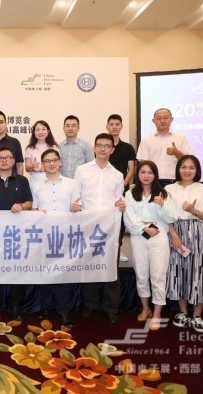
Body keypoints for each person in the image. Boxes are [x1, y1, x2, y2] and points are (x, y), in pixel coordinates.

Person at [74, 133, 126, 324]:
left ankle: (111, 307)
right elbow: (76, 196)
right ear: (94, 148)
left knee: (111, 266)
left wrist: (122, 205)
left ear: (112, 149)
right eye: (99, 145)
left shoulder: (117, 175)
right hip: (87, 225)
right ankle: (90, 303)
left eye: (107, 146)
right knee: (88, 265)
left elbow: (119, 200)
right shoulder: (82, 170)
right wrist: (75, 206)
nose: (103, 149)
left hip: (109, 228)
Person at [0, 146, 33, 321]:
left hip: (17, 232)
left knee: (18, 268)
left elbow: (29, 202)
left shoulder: (22, 180)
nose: (4, 160)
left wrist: (22, 206)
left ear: (13, 160)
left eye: (8, 157)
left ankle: (15, 305)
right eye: (0, 158)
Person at [165, 155, 203, 333]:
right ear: (178, 168)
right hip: (177, 231)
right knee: (178, 269)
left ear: (197, 170)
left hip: (200, 233)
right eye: (183, 167)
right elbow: (165, 215)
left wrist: (194, 210)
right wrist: (174, 236)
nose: (187, 171)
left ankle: (197, 315)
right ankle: (182, 312)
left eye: (191, 167)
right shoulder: (169, 189)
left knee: (200, 270)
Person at [123, 160, 176, 330]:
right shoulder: (130, 194)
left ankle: (158, 313)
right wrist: (144, 228)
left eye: (150, 172)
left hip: (159, 236)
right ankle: (145, 308)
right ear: (137, 174)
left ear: (155, 175)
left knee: (158, 275)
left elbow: (171, 218)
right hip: (139, 236)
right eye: (143, 172)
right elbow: (128, 218)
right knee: (141, 274)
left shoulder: (163, 193)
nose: (146, 176)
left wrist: (161, 205)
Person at [31, 149, 79, 328]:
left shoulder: (71, 184)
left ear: (60, 162)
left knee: (62, 272)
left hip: (65, 233)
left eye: (54, 160)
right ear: (43, 164)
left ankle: (63, 310)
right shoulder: (36, 185)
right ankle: (45, 307)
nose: (51, 164)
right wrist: (37, 213)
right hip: (44, 233)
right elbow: (33, 209)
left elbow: (78, 207)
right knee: (45, 271)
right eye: (47, 161)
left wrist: (76, 208)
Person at [107, 114, 137, 263]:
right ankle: (106, 249)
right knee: (106, 219)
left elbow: (131, 168)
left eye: (117, 124)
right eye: (111, 124)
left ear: (121, 127)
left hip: (122, 188)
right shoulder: (104, 146)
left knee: (120, 220)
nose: (114, 127)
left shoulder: (128, 148)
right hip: (105, 189)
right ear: (107, 126)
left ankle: (118, 249)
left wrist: (123, 184)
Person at [136, 108, 192, 185]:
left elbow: (189, 161)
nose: (162, 121)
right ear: (153, 121)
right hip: (153, 182)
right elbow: (144, 163)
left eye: (165, 118)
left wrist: (177, 152)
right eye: (159, 118)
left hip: (175, 181)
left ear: (171, 119)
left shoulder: (181, 138)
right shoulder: (146, 140)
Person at [24, 120, 59, 185]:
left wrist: (41, 169)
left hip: (51, 178)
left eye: (43, 129)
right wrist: (32, 166)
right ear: (34, 133)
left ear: (48, 132)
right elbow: (27, 168)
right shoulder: (29, 148)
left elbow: (58, 164)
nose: (41, 132)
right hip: (35, 180)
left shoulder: (54, 147)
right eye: (38, 130)